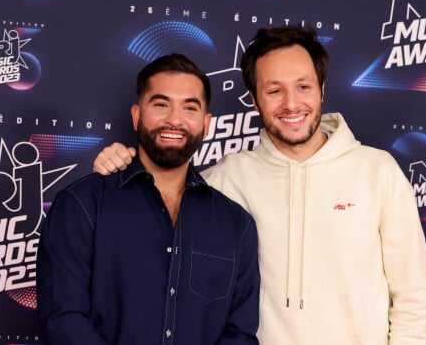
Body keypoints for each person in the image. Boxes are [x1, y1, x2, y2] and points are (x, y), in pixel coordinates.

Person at [93, 25, 426, 344]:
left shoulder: (377, 172)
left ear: (322, 89)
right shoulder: (227, 178)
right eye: (274, 91)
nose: (291, 104)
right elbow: (158, 195)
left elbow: (412, 302)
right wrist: (119, 164)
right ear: (255, 101)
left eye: (303, 86)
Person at [36, 54, 260, 345]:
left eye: (189, 108)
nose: (174, 120)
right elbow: (63, 317)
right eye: (160, 104)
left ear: (206, 125)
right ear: (136, 115)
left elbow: (239, 334)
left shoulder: (236, 225)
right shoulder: (82, 204)